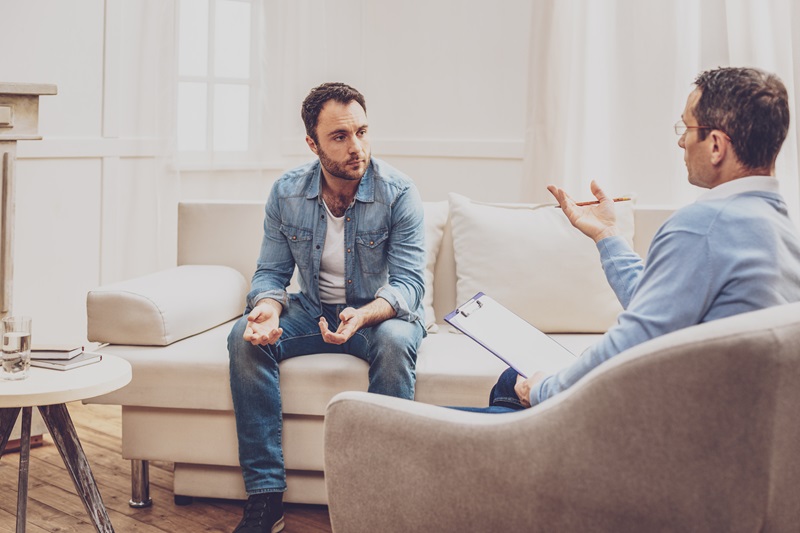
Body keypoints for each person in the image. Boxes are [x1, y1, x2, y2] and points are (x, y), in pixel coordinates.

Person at [483, 66, 800, 413]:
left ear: (715, 146)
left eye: (687, 128)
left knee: (510, 387)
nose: (681, 141)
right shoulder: (778, 228)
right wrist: (607, 235)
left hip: (662, 434)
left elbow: (633, 342)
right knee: (512, 382)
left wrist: (544, 390)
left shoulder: (703, 227)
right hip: (733, 429)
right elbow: (660, 311)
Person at [228, 82, 426, 533]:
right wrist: (268, 308)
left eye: (362, 131)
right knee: (244, 339)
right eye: (340, 136)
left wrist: (365, 314)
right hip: (314, 309)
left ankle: (379, 496)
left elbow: (410, 286)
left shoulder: (398, 192)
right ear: (312, 143)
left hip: (380, 315)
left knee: (396, 342)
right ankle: (265, 495)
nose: (356, 147)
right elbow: (270, 273)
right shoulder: (287, 192)